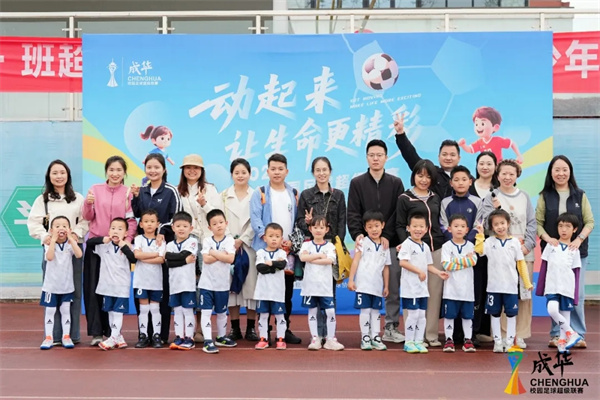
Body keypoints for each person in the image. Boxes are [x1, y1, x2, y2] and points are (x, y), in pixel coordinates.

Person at [347, 139, 405, 344]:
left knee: (391, 286)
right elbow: (353, 212)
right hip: (366, 245)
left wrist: (386, 235)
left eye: (379, 155)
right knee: (367, 285)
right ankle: (368, 332)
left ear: (386, 157)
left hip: (390, 243)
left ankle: (390, 326)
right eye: (372, 155)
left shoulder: (396, 183)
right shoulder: (357, 183)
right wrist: (357, 234)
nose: (375, 158)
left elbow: (399, 212)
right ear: (366, 157)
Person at [28, 160, 88, 346]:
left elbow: (85, 220)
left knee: (73, 291)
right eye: (55, 173)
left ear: (68, 175)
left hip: (72, 248)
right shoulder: (43, 200)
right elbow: (34, 223)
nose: (59, 176)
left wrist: (75, 234)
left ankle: (72, 335)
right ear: (49, 176)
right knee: (52, 290)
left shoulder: (78, 198)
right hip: (52, 249)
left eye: (62, 172)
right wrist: (45, 236)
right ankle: (52, 336)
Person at [536, 155, 594, 349]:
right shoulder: (545, 196)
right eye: (557, 170)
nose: (561, 173)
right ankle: (557, 335)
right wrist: (548, 239)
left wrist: (579, 239)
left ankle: (578, 333)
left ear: (570, 172)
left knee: (576, 293)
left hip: (575, 252)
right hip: (554, 254)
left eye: (564, 169)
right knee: (555, 292)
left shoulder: (580, 195)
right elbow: (538, 223)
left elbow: (590, 222)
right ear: (551, 173)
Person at [480, 159, 536, 349]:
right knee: (503, 293)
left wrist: (527, 246)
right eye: (503, 173)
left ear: (517, 175)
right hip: (500, 255)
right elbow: (485, 223)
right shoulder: (491, 196)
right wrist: (497, 208)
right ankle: (503, 335)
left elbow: (532, 223)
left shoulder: (524, 196)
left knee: (523, 296)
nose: (507, 177)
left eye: (511, 174)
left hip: (523, 253)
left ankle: (520, 335)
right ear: (497, 175)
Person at [82, 155, 136, 346]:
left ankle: (114, 333)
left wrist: (126, 241)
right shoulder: (95, 190)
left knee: (114, 290)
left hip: (117, 249)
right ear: (106, 171)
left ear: (124, 173)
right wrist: (88, 203)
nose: (115, 173)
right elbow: (88, 216)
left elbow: (131, 221)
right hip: (98, 245)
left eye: (119, 170)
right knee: (94, 289)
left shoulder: (128, 193)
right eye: (111, 170)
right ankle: (97, 332)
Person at [250, 154, 301, 344]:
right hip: (265, 250)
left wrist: (291, 242)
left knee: (286, 293)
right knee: (265, 292)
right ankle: (265, 332)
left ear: (286, 171)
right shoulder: (260, 192)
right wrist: (269, 239)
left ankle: (284, 329)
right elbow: (255, 219)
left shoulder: (293, 193)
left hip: (287, 252)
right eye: (273, 169)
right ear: (267, 171)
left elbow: (297, 221)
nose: (277, 172)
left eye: (280, 169)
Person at [131, 153, 182, 344]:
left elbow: (177, 217)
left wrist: (162, 231)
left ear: (164, 169)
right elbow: (137, 214)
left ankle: (160, 335)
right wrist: (136, 197)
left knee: (162, 293)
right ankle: (144, 335)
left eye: (156, 167)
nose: (152, 171)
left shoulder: (171, 191)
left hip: (164, 245)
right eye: (149, 167)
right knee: (143, 295)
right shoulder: (142, 190)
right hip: (144, 244)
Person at [396, 160, 445, 347]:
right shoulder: (404, 198)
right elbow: (400, 225)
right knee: (412, 294)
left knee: (432, 295)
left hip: (435, 249)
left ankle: (430, 335)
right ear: (414, 176)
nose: (424, 180)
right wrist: (406, 245)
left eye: (428, 176)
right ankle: (412, 337)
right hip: (413, 254)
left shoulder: (435, 197)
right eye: (420, 175)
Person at [297, 156, 346, 343]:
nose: (321, 173)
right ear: (313, 173)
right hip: (312, 247)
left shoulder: (338, 195)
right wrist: (307, 223)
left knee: (329, 292)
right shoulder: (306, 195)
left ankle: (330, 335)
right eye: (318, 170)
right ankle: (317, 335)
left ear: (330, 171)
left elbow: (341, 222)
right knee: (315, 292)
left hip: (331, 248)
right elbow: (299, 222)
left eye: (324, 169)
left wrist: (337, 246)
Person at [177, 154, 222, 342]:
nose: (192, 171)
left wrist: (205, 204)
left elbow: (218, 214)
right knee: (190, 282)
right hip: (188, 241)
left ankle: (204, 327)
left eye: (196, 167)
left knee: (205, 283)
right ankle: (191, 328)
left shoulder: (210, 189)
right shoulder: (178, 190)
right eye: (188, 167)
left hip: (207, 240)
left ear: (202, 170)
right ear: (183, 170)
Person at [474, 210, 533, 353]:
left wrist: (527, 283)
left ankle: (509, 342)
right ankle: (498, 342)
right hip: (493, 287)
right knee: (495, 314)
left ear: (508, 223)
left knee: (511, 315)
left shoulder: (515, 243)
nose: (500, 227)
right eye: (496, 224)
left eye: (502, 223)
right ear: (492, 227)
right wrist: (480, 234)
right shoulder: (489, 242)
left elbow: (521, 263)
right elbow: (479, 250)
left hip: (510, 287)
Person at [439, 165, 483, 345]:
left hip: (471, 247)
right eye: (456, 180)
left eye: (464, 179)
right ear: (451, 183)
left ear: (470, 182)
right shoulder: (445, 202)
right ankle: (452, 336)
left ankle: (470, 335)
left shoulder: (477, 202)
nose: (460, 183)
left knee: (471, 294)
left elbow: (479, 224)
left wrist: (466, 241)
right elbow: (443, 224)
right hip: (451, 247)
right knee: (452, 295)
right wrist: (454, 240)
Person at [398, 213, 449, 354]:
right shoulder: (407, 244)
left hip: (422, 289)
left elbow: (428, 265)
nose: (418, 229)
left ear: (426, 229)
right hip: (411, 288)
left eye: (421, 226)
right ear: (408, 228)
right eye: (415, 226)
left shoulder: (425, 246)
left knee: (421, 316)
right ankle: (409, 342)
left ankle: (419, 341)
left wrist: (439, 273)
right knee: (413, 315)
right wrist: (419, 272)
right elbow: (403, 262)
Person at [86, 217, 137, 351]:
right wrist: (102, 239)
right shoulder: (103, 246)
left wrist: (123, 246)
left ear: (126, 233)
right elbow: (89, 242)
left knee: (118, 312)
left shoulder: (128, 247)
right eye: (113, 228)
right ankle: (118, 337)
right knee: (110, 312)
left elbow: (133, 259)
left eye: (120, 229)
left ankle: (113, 338)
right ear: (109, 231)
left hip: (121, 286)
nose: (116, 231)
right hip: (106, 286)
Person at [222, 158, 259, 342]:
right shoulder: (224, 195)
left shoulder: (256, 195)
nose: (240, 176)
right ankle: (235, 327)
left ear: (250, 174)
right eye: (236, 173)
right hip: (229, 247)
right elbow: (219, 220)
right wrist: (231, 240)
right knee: (232, 288)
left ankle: (251, 328)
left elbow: (257, 220)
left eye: (244, 172)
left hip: (250, 246)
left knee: (251, 287)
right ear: (232, 175)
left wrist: (243, 239)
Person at [535, 213, 583, 353]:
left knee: (565, 315)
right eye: (560, 226)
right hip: (552, 287)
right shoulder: (551, 246)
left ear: (574, 229)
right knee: (552, 310)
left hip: (567, 288)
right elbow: (544, 267)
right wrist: (541, 287)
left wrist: (575, 295)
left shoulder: (575, 250)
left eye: (568, 226)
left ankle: (563, 342)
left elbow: (576, 273)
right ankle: (572, 333)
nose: (563, 229)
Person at [299, 216, 344, 351]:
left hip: (325, 287)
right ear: (310, 229)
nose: (318, 230)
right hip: (310, 286)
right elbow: (302, 257)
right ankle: (315, 338)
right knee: (312, 311)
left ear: (326, 229)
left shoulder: (330, 246)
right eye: (315, 227)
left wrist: (311, 259)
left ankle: (330, 338)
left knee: (330, 312)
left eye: (321, 227)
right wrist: (319, 256)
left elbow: (329, 260)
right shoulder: (306, 245)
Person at [347, 210, 390, 351]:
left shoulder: (385, 245)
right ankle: (365, 337)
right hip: (363, 285)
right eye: (370, 227)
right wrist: (351, 280)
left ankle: (375, 336)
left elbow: (386, 267)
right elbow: (355, 261)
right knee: (365, 311)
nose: (374, 229)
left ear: (383, 225)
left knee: (376, 312)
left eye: (377, 226)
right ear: (365, 228)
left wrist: (386, 286)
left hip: (377, 286)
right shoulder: (362, 242)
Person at [39, 216, 83, 350]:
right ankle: (49, 337)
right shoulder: (48, 244)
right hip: (51, 286)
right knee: (50, 310)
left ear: (69, 229)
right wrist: (52, 240)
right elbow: (49, 257)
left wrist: (72, 239)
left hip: (67, 286)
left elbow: (79, 255)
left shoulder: (70, 245)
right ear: (51, 230)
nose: (61, 229)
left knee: (65, 310)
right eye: (57, 226)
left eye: (64, 226)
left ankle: (66, 336)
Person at [468, 151, 499, 344]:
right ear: (477, 165)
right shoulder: (467, 186)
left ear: (495, 167)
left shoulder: (499, 190)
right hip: (470, 244)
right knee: (473, 286)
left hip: (493, 245)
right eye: (482, 163)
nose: (485, 167)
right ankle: (470, 329)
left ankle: (485, 329)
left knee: (490, 284)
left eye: (489, 163)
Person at [394, 113, 460, 199]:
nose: (448, 158)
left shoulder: (466, 177)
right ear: (438, 157)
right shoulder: (431, 172)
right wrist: (401, 134)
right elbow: (411, 156)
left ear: (459, 158)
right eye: (444, 154)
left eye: (452, 155)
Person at [198, 209, 237, 353]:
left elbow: (230, 258)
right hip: (206, 284)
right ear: (210, 227)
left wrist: (213, 252)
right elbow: (206, 259)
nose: (218, 225)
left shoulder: (230, 240)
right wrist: (221, 255)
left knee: (222, 312)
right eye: (214, 224)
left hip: (222, 285)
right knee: (206, 312)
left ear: (226, 223)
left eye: (221, 222)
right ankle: (208, 341)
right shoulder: (207, 240)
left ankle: (221, 337)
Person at [440, 214, 478, 353]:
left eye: (462, 226)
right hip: (451, 290)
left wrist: (455, 260)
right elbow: (446, 265)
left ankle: (468, 340)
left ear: (467, 229)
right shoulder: (446, 246)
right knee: (449, 316)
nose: (459, 229)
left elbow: (473, 261)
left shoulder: (471, 246)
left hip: (467, 291)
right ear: (449, 228)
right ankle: (449, 340)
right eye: (456, 226)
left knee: (468, 317)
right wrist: (464, 261)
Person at [164, 211, 198, 351]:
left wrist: (177, 258)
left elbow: (185, 253)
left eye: (185, 226)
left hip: (187, 284)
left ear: (191, 228)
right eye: (178, 226)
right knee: (177, 311)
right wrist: (184, 261)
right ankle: (179, 336)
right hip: (174, 284)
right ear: (173, 227)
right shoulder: (169, 244)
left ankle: (189, 338)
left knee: (188, 311)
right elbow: (168, 261)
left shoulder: (192, 242)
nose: (181, 229)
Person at [132, 209, 166, 349]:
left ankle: (156, 335)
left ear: (158, 224)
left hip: (156, 280)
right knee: (144, 308)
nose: (149, 224)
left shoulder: (161, 240)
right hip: (141, 280)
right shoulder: (138, 239)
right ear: (141, 224)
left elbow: (161, 259)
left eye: (152, 221)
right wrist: (154, 254)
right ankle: (143, 335)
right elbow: (137, 255)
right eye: (146, 221)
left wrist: (144, 257)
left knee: (155, 308)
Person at [253, 223, 289, 350]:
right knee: (263, 315)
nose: (274, 239)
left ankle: (280, 339)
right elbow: (260, 268)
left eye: (277, 236)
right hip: (263, 291)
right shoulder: (260, 252)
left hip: (278, 291)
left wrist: (271, 263)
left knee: (280, 316)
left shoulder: (282, 253)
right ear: (265, 238)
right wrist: (274, 266)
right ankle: (263, 339)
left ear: (281, 239)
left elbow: (282, 265)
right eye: (271, 236)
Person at [457, 106, 523, 164]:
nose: (478, 127)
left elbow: (512, 143)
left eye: (482, 124)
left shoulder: (498, 140)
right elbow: (470, 149)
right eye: (476, 124)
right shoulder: (479, 142)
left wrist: (519, 155)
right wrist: (463, 145)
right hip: (486, 168)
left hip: (498, 167)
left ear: (495, 127)